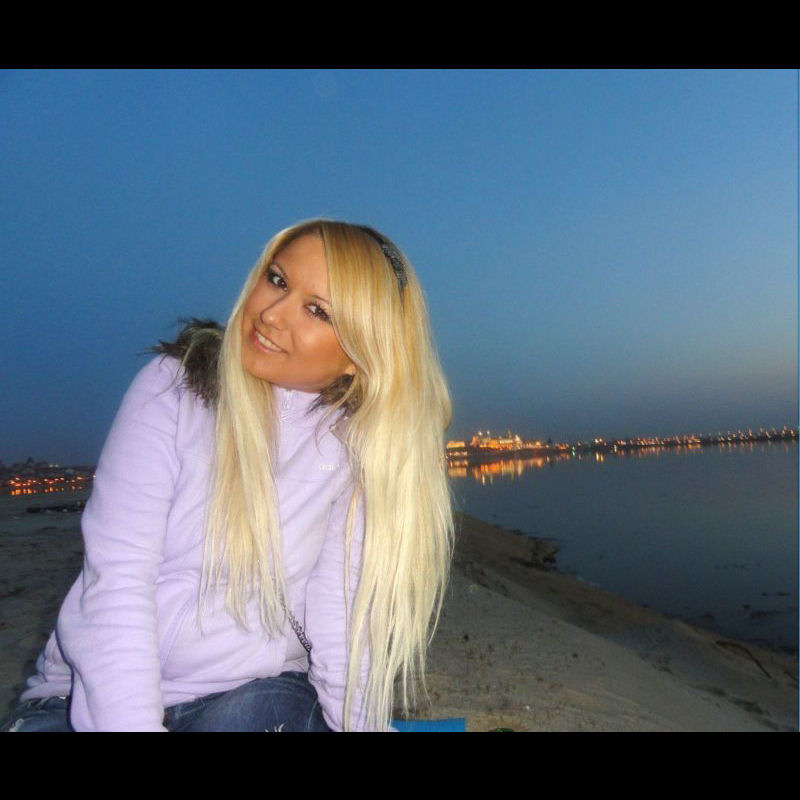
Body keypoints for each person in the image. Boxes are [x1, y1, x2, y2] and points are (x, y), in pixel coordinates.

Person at [3, 220, 453, 732]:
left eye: (317, 310)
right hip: (82, 698)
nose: (271, 313)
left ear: (359, 358)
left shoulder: (356, 449)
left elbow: (339, 615)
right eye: (278, 280)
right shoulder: (174, 389)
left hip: (248, 694)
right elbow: (116, 581)